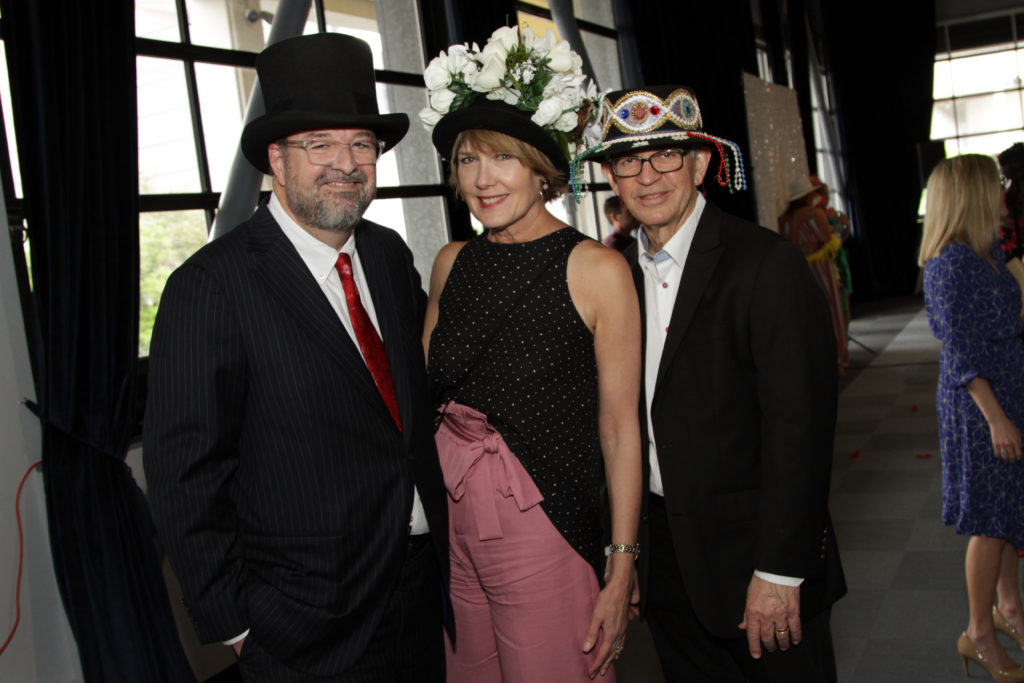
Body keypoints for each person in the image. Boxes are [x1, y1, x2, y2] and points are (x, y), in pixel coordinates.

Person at [143, 33, 449, 682]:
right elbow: (184, 473)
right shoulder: (211, 287)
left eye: (361, 143)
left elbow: (408, 414)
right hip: (303, 629)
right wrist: (237, 624)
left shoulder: (390, 258)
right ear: (277, 162)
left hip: (416, 596)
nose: (345, 161)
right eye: (319, 144)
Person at [575, 85, 846, 683]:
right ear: (611, 179)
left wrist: (779, 570)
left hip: (761, 560)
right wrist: (631, 553)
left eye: (666, 155)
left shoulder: (764, 263)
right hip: (668, 562)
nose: (647, 175)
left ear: (700, 164)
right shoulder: (613, 276)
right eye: (627, 160)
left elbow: (800, 427)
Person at [418, 26, 642, 682]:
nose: (484, 180)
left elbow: (621, 427)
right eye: (467, 160)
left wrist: (621, 560)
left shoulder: (595, 268)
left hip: (544, 521)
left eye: (503, 159)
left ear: (541, 169)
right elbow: (423, 396)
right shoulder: (450, 263)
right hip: (453, 519)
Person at [918, 154, 1024, 683]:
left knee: (1006, 511)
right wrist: (998, 419)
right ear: (974, 194)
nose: (1006, 190)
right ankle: (978, 632)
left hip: (1003, 394)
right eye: (998, 183)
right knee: (987, 521)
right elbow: (960, 352)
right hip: (983, 405)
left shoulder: (983, 251)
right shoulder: (951, 263)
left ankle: (1011, 610)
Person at [778, 177, 850, 373]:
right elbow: (829, 241)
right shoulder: (813, 214)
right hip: (820, 270)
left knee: (807, 316)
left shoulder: (783, 219)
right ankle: (836, 359)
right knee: (831, 311)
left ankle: (814, 361)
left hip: (798, 272)